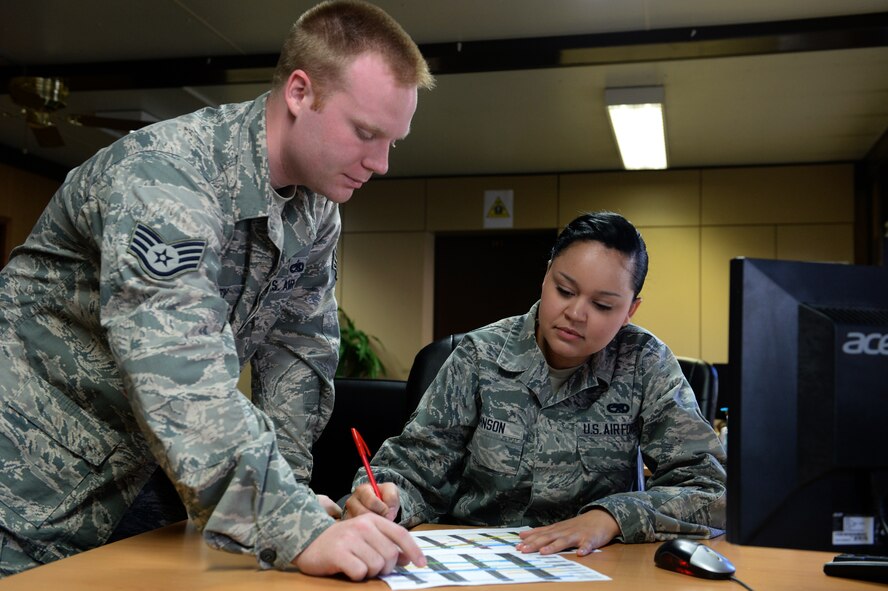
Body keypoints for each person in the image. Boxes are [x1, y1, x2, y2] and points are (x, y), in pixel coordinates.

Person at [0, 0, 433, 580]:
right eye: (365, 132)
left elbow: (300, 353)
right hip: (31, 472)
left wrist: (291, 496)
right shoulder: (167, 175)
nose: (379, 163)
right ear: (300, 93)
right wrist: (291, 525)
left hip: (150, 471)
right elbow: (176, 365)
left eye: (392, 142)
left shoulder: (317, 210)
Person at [345, 211, 727, 556]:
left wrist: (609, 518)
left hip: (595, 564)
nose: (576, 313)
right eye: (564, 290)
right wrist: (387, 498)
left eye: (603, 305)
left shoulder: (645, 363)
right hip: (476, 559)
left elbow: (710, 491)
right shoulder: (479, 356)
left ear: (630, 311)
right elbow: (413, 467)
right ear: (546, 277)